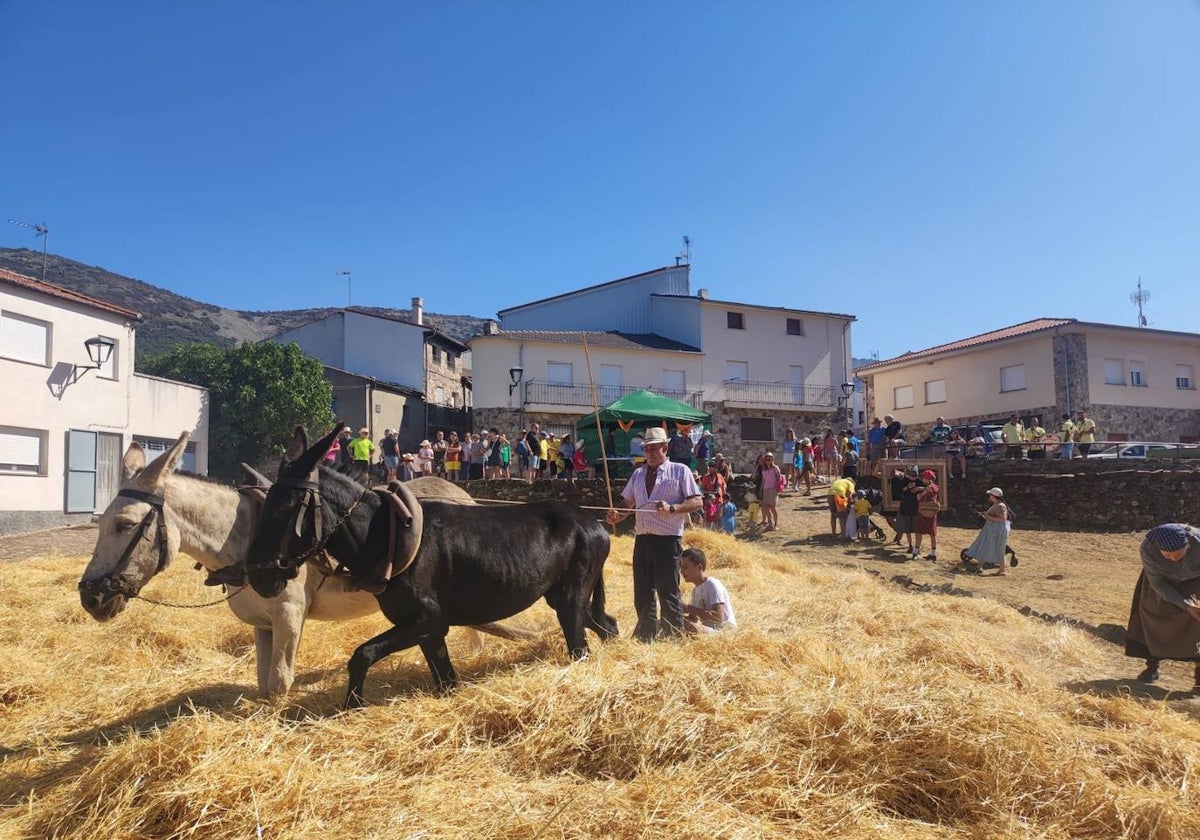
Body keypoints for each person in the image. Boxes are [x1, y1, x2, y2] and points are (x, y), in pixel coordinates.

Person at [606, 426, 702, 641]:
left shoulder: (680, 471)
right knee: (642, 592)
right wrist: (617, 515)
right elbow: (627, 503)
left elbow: (697, 501)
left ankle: (672, 635)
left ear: (665, 448)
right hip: (642, 539)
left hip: (668, 542)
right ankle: (645, 635)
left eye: (653, 449)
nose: (648, 453)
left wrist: (673, 509)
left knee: (667, 592)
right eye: (646, 449)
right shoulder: (638, 474)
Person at [1123, 524, 1200, 691]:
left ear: (1188, 545)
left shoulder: (1198, 541)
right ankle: (1152, 667)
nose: (1173, 559)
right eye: (1167, 555)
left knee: (1197, 625)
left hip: (1196, 580)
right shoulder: (1148, 549)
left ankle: (1199, 678)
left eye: (1179, 554)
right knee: (1154, 618)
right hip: (1161, 583)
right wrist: (1185, 605)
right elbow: (1158, 583)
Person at [680, 548, 737, 634]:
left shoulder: (712, 584)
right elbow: (693, 618)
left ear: (699, 567)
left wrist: (688, 608)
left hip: (724, 632)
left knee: (693, 628)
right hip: (709, 630)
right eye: (680, 568)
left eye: (685, 567)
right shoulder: (695, 591)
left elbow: (718, 617)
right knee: (679, 624)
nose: (681, 572)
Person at [961, 488, 1013, 575]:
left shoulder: (1000, 505)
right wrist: (985, 515)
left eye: (990, 495)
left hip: (996, 531)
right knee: (985, 546)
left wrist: (988, 517)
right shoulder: (996, 504)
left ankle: (1002, 570)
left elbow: (1002, 519)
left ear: (993, 496)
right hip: (992, 529)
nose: (989, 496)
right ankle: (979, 567)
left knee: (999, 548)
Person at [892, 465, 921, 555]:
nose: (913, 476)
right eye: (911, 474)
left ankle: (917, 547)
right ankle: (910, 545)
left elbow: (925, 489)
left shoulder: (919, 481)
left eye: (914, 474)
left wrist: (918, 489)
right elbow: (899, 492)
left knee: (917, 528)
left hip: (916, 507)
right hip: (905, 506)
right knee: (907, 528)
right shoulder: (903, 481)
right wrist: (908, 487)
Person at [913, 469, 940, 560]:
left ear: (927, 479)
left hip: (924, 511)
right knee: (931, 533)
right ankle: (933, 553)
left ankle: (916, 552)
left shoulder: (931, 487)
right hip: (931, 512)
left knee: (920, 532)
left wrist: (923, 491)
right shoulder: (934, 487)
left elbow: (918, 498)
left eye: (924, 478)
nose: (922, 480)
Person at [758, 452, 783, 531]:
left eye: (769, 459)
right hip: (766, 489)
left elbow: (779, 478)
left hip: (772, 489)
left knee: (772, 507)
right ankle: (770, 524)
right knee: (766, 507)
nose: (768, 461)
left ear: (772, 459)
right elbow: (763, 480)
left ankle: (775, 524)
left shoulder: (775, 468)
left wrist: (775, 487)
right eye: (766, 459)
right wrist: (761, 490)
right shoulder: (764, 469)